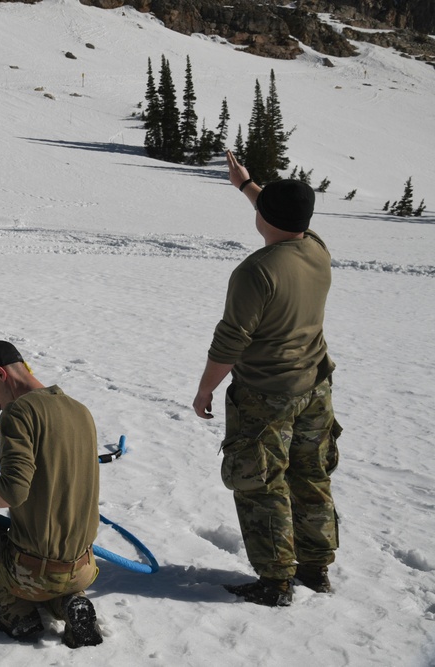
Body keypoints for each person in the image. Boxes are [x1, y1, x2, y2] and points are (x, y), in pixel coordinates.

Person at [192, 151, 342, 607]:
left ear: (264, 219)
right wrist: (247, 185)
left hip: (266, 397)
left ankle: (275, 582)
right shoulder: (315, 247)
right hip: (315, 388)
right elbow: (285, 215)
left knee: (261, 483)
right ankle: (315, 568)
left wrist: (205, 389)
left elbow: (229, 344)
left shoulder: (255, 272)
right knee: (311, 476)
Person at [0, 341, 103, 648]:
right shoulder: (80, 411)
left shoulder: (19, 411)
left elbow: (14, 488)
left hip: (34, 572)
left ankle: (14, 609)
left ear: (0, 374)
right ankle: (68, 604)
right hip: (83, 567)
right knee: (35, 558)